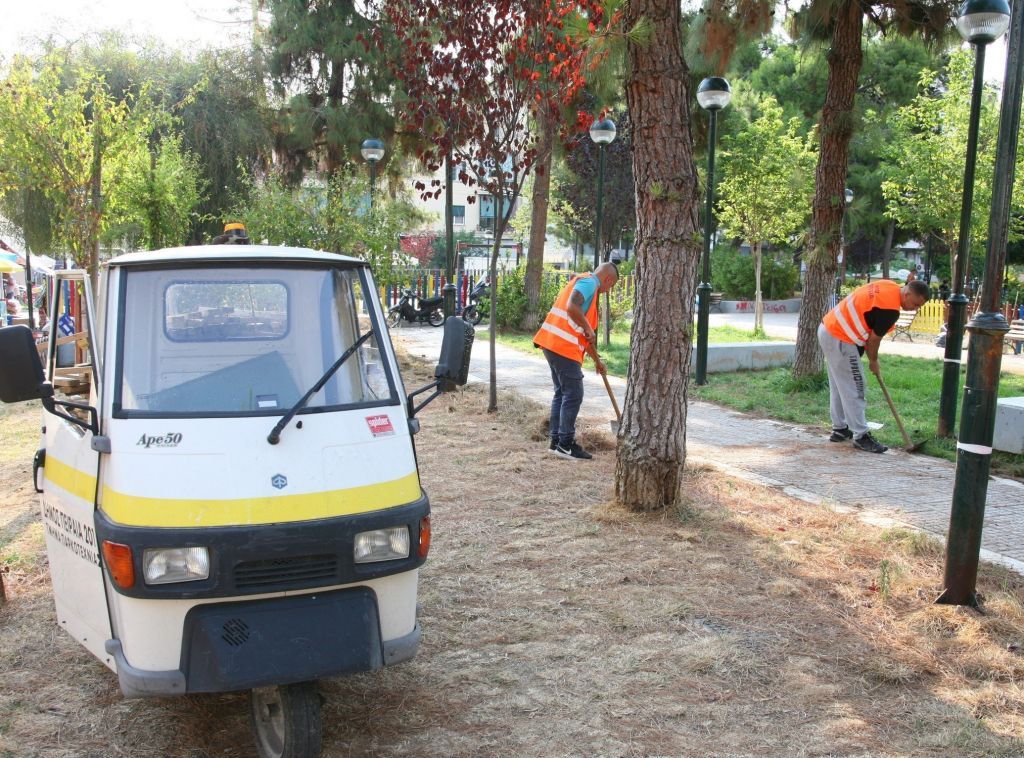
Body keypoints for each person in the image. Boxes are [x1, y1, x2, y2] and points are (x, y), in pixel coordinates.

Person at [817, 279, 930, 453]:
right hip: (841, 336)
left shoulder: (889, 286)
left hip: (828, 329)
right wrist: (874, 361)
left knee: (840, 386)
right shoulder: (890, 310)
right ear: (907, 294)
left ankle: (840, 429)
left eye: (919, 307)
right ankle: (861, 436)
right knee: (856, 387)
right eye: (915, 304)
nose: (915, 309)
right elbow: (873, 341)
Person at [533, 261, 619, 460]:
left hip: (552, 343)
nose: (608, 290)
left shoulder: (585, 284)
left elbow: (584, 335)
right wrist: (588, 328)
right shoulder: (590, 283)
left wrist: (597, 361)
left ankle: (556, 442)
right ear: (608, 279)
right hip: (563, 348)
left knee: (562, 393)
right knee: (573, 394)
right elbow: (572, 306)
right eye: (611, 286)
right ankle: (566, 444)